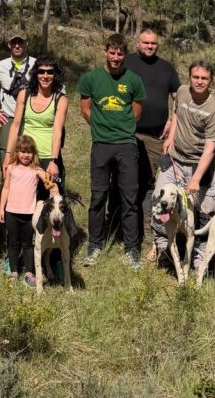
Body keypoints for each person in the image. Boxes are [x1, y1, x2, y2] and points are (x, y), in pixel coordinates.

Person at [78, 33, 147, 269]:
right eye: (112, 53)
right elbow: (85, 109)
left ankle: (131, 248)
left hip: (126, 144)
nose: (116, 58)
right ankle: (94, 245)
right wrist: (102, 126)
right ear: (105, 52)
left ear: (125, 55)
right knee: (98, 196)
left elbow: (136, 112)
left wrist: (121, 128)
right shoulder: (91, 78)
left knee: (129, 197)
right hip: (101, 144)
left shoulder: (134, 80)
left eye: (120, 54)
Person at [151, 61, 215, 269]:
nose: (199, 82)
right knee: (159, 201)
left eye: (204, 78)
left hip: (198, 165)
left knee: (204, 211)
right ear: (190, 77)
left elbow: (210, 148)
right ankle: (164, 248)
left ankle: (201, 259)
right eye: (196, 77)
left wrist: (196, 179)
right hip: (175, 160)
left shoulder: (214, 108)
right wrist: (170, 138)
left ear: (211, 81)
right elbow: (176, 115)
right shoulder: (182, 92)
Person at [123, 28, 180, 251]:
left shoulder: (166, 68)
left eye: (153, 43)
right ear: (137, 43)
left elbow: (178, 98)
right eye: (145, 42)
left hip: (156, 137)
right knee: (124, 182)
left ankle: (149, 227)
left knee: (150, 184)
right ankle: (121, 228)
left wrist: (172, 121)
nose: (149, 46)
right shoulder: (126, 63)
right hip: (127, 134)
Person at [4, 53, 68, 198]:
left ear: (55, 75)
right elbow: (15, 125)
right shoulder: (24, 94)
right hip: (26, 155)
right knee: (23, 199)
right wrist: (9, 155)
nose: (45, 76)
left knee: (50, 200)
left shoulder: (60, 99)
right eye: (41, 71)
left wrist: (54, 161)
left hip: (47, 156)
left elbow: (57, 131)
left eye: (50, 72)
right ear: (35, 74)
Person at [0, 135, 58, 287]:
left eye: (29, 152)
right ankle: (13, 272)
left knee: (28, 244)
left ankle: (29, 273)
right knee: (13, 243)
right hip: (11, 212)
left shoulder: (36, 170)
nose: (26, 155)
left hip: (29, 214)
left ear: (34, 153)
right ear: (17, 152)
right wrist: (1, 209)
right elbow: (5, 189)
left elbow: (48, 182)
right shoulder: (11, 168)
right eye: (23, 151)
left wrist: (53, 189)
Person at [0, 35, 36, 166]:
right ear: (9, 45)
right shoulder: (0, 66)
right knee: (6, 154)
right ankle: (6, 178)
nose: (17, 46)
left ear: (26, 43)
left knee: (30, 155)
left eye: (20, 42)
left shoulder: (36, 64)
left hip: (31, 118)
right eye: (14, 42)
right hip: (9, 118)